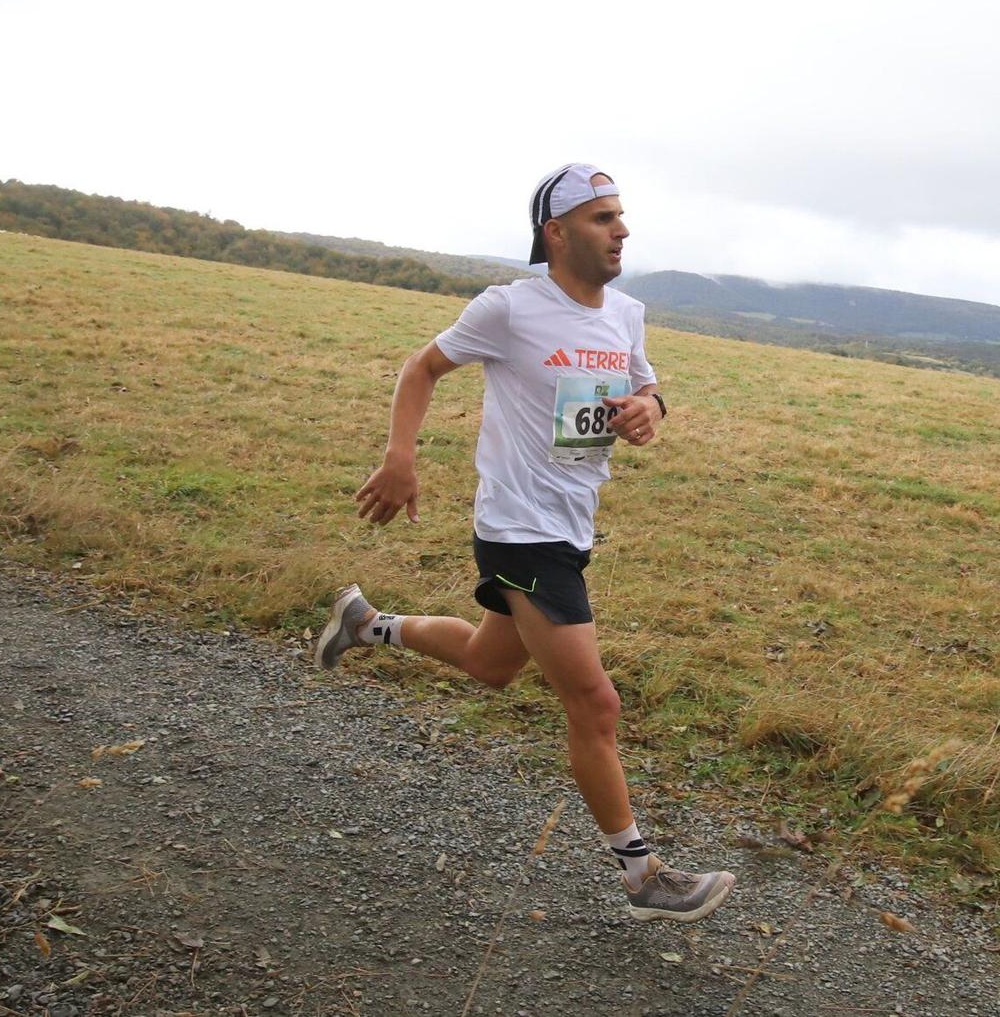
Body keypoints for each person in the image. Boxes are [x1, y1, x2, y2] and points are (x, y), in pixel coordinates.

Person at [313, 164, 735, 922]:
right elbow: (424, 367)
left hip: (571, 524)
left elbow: (646, 389)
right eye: (604, 218)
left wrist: (649, 410)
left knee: (489, 664)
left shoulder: (626, 314)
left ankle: (366, 625)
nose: (622, 231)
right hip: (519, 529)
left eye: (621, 216)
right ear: (557, 231)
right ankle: (643, 879)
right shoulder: (510, 308)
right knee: (594, 701)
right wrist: (400, 457)